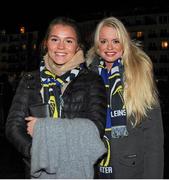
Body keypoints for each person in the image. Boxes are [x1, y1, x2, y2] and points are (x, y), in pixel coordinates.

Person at [5, 17, 107, 179]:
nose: (61, 47)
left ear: (77, 46)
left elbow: (95, 128)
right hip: (38, 170)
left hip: (78, 169)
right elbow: (13, 127)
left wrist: (44, 127)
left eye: (68, 41)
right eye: (55, 39)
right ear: (46, 43)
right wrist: (38, 152)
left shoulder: (92, 81)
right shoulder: (30, 80)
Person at [86, 16, 164, 179]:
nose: (109, 47)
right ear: (97, 44)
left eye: (115, 41)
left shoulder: (139, 73)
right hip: (94, 167)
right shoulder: (88, 74)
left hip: (130, 169)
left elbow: (153, 137)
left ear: (124, 42)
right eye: (103, 41)